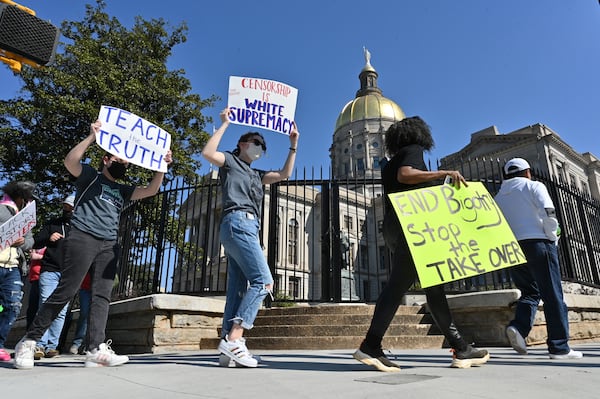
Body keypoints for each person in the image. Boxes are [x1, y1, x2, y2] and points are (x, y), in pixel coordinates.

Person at [14, 119, 173, 369]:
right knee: (66, 291)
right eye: (120, 160)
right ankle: (28, 341)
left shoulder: (123, 190)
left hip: (108, 244)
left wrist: (161, 167)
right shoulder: (90, 177)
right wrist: (91, 137)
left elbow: (152, 190)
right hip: (83, 236)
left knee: (102, 296)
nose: (125, 164)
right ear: (107, 159)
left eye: (127, 161)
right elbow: (70, 162)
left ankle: (95, 348)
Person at [353, 116, 490, 371]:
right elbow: (407, 176)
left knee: (434, 288)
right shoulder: (412, 151)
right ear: (419, 135)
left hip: (395, 226)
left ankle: (461, 348)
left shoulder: (388, 164)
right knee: (396, 287)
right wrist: (444, 173)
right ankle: (371, 345)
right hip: (412, 228)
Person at [201, 107, 299, 368]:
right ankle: (235, 338)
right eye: (256, 143)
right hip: (237, 223)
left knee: (237, 290)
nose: (259, 148)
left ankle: (226, 346)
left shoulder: (257, 175)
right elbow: (208, 153)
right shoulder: (231, 162)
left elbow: (284, 175)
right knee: (264, 282)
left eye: (262, 146)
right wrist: (224, 124)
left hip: (245, 229)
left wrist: (293, 145)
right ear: (242, 144)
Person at [494, 158, 583, 359]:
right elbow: (549, 213)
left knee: (529, 293)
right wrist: (553, 237)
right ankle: (559, 347)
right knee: (552, 294)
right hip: (539, 243)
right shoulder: (534, 185)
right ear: (527, 172)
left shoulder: (499, 196)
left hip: (513, 247)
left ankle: (518, 327)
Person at [31, 195, 75, 359]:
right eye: (65, 207)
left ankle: (52, 346)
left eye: (71, 207)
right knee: (45, 305)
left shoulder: (81, 227)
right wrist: (48, 238)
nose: (67, 210)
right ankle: (39, 344)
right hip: (49, 270)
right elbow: (35, 242)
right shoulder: (52, 224)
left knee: (61, 310)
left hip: (69, 273)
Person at [0, 181, 37, 362]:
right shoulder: (1, 209)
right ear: (21, 197)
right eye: (28, 198)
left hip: (13, 266)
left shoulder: (24, 217)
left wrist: (23, 242)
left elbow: (30, 241)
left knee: (13, 306)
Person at [68, 272, 91, 355]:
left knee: (96, 317)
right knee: (84, 314)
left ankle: (89, 345)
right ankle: (77, 343)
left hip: (99, 288)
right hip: (86, 288)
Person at [26, 247, 46, 329]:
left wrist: (39, 257)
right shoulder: (37, 245)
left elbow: (55, 257)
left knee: (42, 307)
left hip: (44, 278)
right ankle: (28, 331)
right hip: (34, 279)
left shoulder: (51, 245)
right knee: (32, 308)